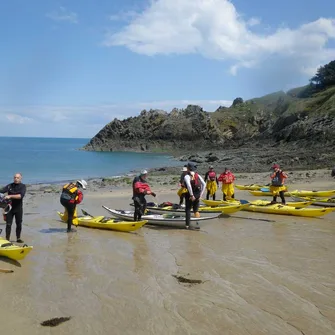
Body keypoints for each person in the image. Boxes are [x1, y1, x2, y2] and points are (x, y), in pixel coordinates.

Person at [0, 173, 26, 242]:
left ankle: (18, 238)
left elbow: (20, 196)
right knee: (8, 224)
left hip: (18, 208)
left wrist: (10, 196)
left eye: (17, 178)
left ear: (20, 178)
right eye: (15, 177)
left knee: (19, 224)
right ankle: (7, 239)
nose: (16, 179)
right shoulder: (9, 186)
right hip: (9, 208)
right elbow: (1, 191)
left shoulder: (23, 186)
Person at [183, 162, 206, 229]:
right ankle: (197, 223)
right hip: (198, 194)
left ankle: (187, 225)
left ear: (188, 168)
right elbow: (204, 184)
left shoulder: (187, 176)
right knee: (196, 210)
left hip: (190, 195)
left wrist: (191, 195)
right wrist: (201, 194)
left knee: (188, 209)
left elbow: (189, 186)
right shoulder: (197, 175)